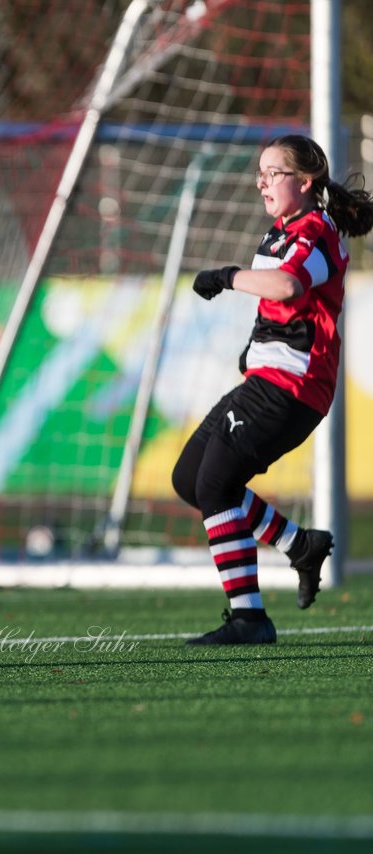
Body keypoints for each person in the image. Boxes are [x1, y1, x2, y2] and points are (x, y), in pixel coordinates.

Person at [174, 134, 373, 645]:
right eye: (259, 172)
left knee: (215, 486)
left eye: (273, 172)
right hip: (264, 380)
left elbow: (287, 286)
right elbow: (280, 308)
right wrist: (252, 345)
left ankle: (250, 618)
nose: (261, 180)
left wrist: (226, 275)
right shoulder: (278, 232)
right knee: (190, 477)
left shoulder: (318, 232)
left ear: (305, 183)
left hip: (293, 389)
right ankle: (299, 544)